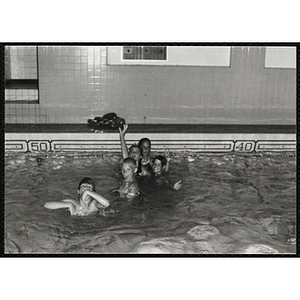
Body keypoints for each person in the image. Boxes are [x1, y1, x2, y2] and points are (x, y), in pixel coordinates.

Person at [44, 177, 110, 216]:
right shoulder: (73, 202)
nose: (86, 188)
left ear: (93, 193)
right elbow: (47, 205)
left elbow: (107, 204)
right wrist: (69, 205)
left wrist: (87, 192)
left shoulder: (94, 204)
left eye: (89, 187)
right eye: (83, 186)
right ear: (78, 191)